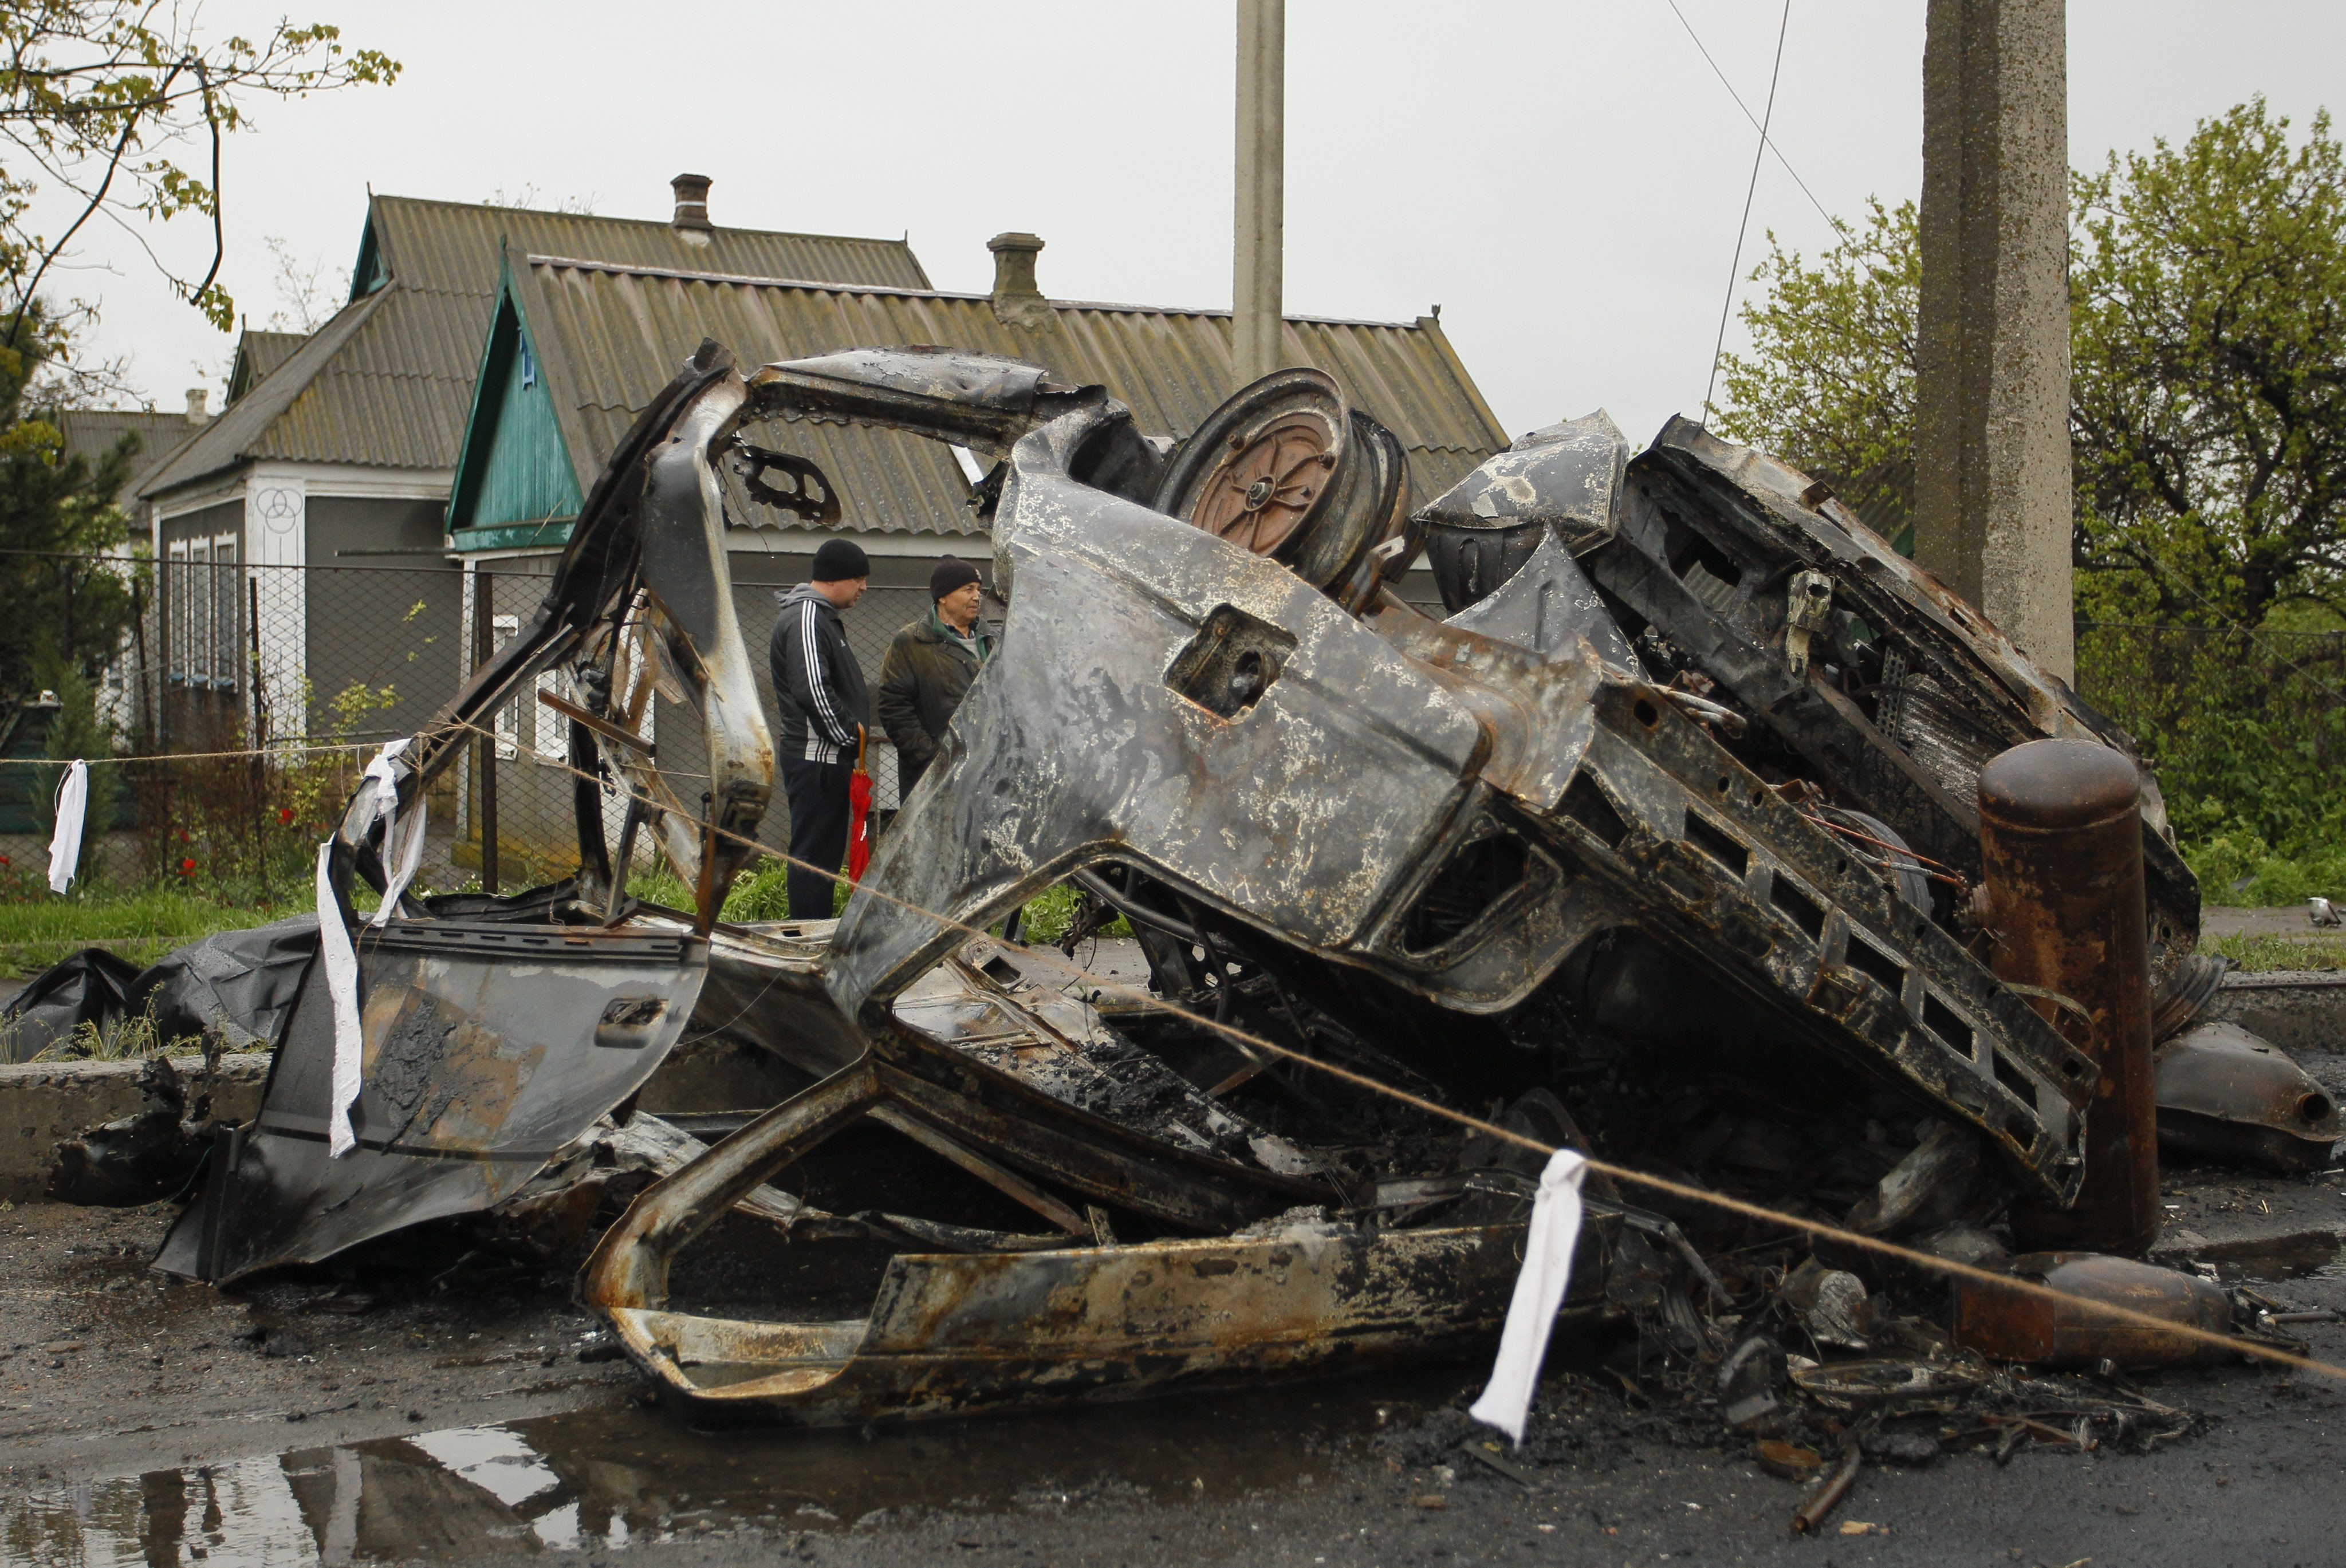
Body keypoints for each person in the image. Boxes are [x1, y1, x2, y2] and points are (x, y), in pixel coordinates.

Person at [769, 537, 871, 920]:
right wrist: (847, 736)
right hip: (818, 759)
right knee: (814, 857)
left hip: (826, 758)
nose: (864, 588)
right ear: (833, 578)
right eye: (858, 579)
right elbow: (812, 688)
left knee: (823, 856)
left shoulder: (819, 618)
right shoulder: (807, 617)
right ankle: (807, 934)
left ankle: (812, 929)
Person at [876, 556, 997, 799]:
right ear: (943, 596)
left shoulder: (992, 640)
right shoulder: (912, 642)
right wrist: (934, 758)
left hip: (988, 772)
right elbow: (894, 707)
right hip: (936, 779)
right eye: (968, 589)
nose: (977, 597)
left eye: (979, 589)